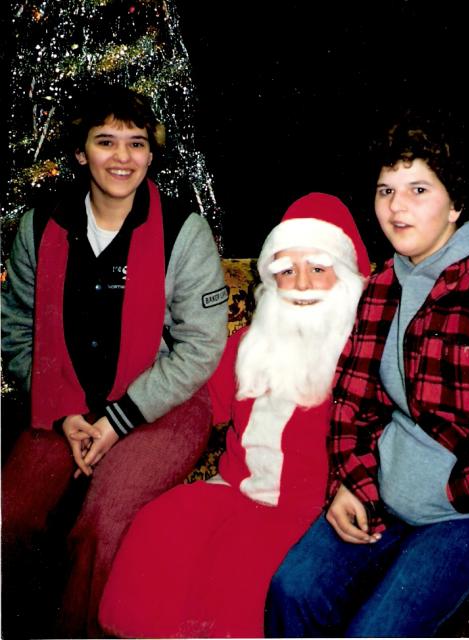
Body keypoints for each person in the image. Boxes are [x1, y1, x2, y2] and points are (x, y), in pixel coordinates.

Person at [264, 115, 469, 637]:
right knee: (291, 591)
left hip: (465, 516)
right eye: (386, 190)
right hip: (381, 498)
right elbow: (354, 401)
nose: (396, 207)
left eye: (418, 189)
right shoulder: (382, 281)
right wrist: (349, 484)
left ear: (456, 205)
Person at [1, 84, 228, 638]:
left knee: (104, 524)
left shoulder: (183, 231)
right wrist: (59, 413)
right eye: (106, 142)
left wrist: (119, 419)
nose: (123, 157)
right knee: (11, 518)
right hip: (64, 402)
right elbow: (15, 327)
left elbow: (199, 346)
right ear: (81, 152)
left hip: (162, 405)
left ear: (152, 152)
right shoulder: (38, 227)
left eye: (137, 143)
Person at [98, 191, 371, 638]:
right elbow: (199, 396)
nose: (300, 284)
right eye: (287, 270)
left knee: (235, 574)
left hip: (305, 509)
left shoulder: (362, 352)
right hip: (233, 488)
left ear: (345, 277)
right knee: (159, 526)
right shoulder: (252, 340)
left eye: (318, 269)